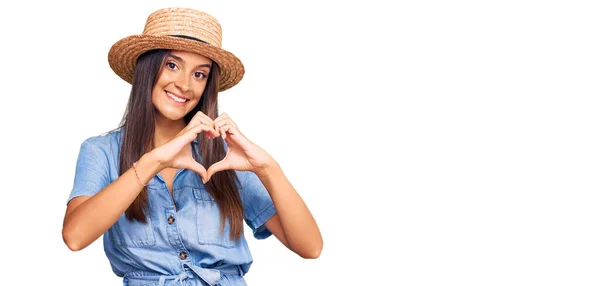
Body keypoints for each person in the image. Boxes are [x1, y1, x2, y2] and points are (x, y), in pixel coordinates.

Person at [61, 7, 323, 286]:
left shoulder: (224, 156)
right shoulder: (101, 151)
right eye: (172, 65)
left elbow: (310, 247)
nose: (185, 85)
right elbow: (75, 237)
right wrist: (155, 161)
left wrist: (268, 168)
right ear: (148, 68)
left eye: (200, 74)